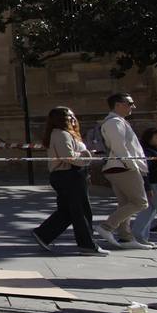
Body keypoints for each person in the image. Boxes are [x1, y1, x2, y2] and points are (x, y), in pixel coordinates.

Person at [31, 107, 102, 255]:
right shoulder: (61, 134)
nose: (73, 119)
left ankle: (44, 234)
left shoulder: (64, 134)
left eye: (73, 116)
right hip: (69, 175)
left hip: (69, 174)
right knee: (81, 211)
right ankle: (88, 245)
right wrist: (86, 156)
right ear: (60, 119)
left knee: (67, 211)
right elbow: (68, 156)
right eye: (69, 116)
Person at [96, 92, 150, 250]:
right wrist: (132, 165)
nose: (133, 106)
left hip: (120, 167)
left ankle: (126, 238)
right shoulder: (114, 122)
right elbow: (120, 147)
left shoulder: (118, 121)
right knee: (140, 202)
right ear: (118, 105)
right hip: (123, 167)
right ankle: (107, 227)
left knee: (125, 204)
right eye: (129, 103)